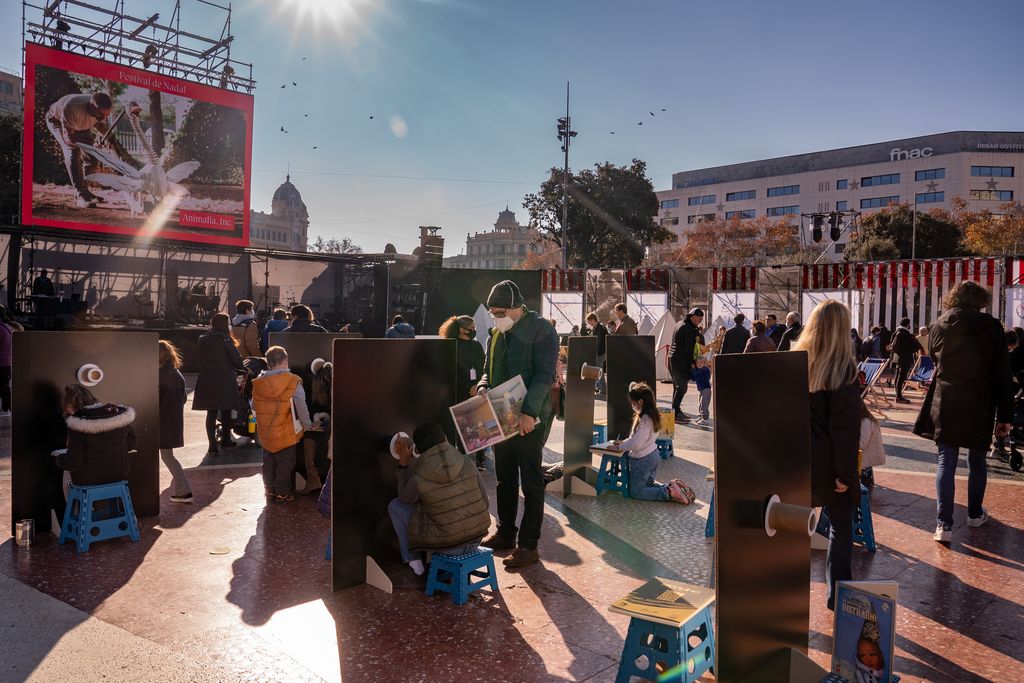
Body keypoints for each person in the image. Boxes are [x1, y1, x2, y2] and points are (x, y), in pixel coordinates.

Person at [913, 281, 1013, 544]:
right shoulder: (992, 327)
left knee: (946, 460)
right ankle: (974, 513)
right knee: (977, 461)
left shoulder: (940, 324)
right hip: (980, 401)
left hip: (946, 400)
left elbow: (934, 358)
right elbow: (1002, 374)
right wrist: (1005, 416)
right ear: (980, 300)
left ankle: (943, 524)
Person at [477, 279, 558, 568]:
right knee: (504, 478)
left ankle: (528, 546)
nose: (497, 318)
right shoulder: (496, 334)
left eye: (501, 312)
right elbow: (487, 369)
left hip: (530, 418)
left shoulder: (542, 330)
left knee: (532, 482)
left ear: (516, 307)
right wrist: (483, 386)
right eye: (493, 313)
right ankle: (506, 532)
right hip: (501, 415)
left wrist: (530, 413)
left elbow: (544, 375)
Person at [792, 300, 861, 610]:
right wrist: (847, 475)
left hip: (794, 461)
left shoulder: (795, 361)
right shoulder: (844, 370)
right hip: (829, 465)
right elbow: (844, 431)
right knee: (842, 527)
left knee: (790, 528)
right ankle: (837, 596)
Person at [388, 422, 491, 587]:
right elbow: (485, 502)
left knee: (395, 506)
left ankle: (415, 565)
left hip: (447, 545)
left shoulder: (420, 473)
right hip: (477, 537)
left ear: (418, 450)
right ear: (445, 439)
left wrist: (403, 463)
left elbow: (405, 499)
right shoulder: (467, 462)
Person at [609, 382, 693, 503]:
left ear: (641, 402)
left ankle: (668, 493)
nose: (632, 405)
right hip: (652, 456)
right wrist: (623, 442)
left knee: (636, 492)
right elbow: (639, 439)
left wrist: (619, 448)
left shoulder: (645, 420)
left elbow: (637, 443)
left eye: (633, 403)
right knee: (645, 487)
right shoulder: (653, 416)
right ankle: (675, 489)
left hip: (643, 460)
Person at [251, 345, 313, 503]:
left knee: (269, 461)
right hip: (286, 431)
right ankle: (283, 492)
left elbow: (253, 406)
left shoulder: (259, 381)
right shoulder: (293, 381)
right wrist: (307, 425)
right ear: (285, 360)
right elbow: (301, 405)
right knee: (285, 462)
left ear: (268, 362)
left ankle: (270, 490)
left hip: (266, 431)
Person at [44, 92, 126, 208]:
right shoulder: (71, 108)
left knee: (93, 157)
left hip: (79, 125)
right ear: (91, 107)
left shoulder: (100, 109)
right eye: (101, 115)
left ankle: (85, 190)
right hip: (57, 121)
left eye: (106, 115)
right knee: (73, 153)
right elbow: (70, 139)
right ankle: (80, 195)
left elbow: (101, 126)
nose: (103, 118)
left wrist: (110, 140)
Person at [56, 384, 137, 486]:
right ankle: (116, 502)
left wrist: (59, 459)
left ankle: (73, 501)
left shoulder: (77, 425)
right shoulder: (117, 415)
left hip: (89, 479)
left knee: (67, 473)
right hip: (119, 475)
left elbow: (74, 462)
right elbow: (131, 443)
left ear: (69, 407)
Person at [192, 313, 245, 455]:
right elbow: (236, 359)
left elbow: (198, 359)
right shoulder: (225, 339)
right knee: (226, 410)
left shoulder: (203, 339)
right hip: (224, 378)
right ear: (225, 324)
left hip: (207, 377)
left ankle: (212, 445)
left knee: (211, 412)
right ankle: (226, 440)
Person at [440, 315, 486, 465]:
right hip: (457, 393)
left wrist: (479, 385)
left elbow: (483, 367)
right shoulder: (450, 345)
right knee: (460, 428)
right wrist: (467, 387)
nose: (473, 331)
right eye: (470, 329)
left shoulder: (476, 346)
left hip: (476, 391)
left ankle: (480, 457)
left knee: (478, 425)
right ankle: (461, 457)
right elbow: (447, 372)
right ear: (460, 329)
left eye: (474, 329)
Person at [158, 340, 193, 503]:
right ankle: (182, 491)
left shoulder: (159, 376)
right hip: (173, 421)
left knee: (167, 456)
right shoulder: (176, 374)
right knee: (168, 455)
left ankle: (184, 491)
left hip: (161, 423)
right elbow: (184, 399)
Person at [669, 307, 704, 423]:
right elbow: (689, 349)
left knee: (677, 387)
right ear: (693, 316)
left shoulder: (679, 324)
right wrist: (693, 364)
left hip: (673, 359)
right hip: (681, 360)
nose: (700, 320)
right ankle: (675, 413)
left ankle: (676, 411)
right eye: (699, 318)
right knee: (682, 387)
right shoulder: (689, 329)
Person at [889, 317, 923, 404]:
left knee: (897, 377)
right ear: (908, 324)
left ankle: (898, 395)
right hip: (905, 358)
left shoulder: (896, 333)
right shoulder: (905, 334)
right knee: (901, 377)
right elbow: (915, 345)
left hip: (897, 358)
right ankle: (899, 397)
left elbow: (891, 345)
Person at [583, 312, 609, 394]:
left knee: (597, 370)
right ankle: (601, 388)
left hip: (601, 352)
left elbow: (600, 342)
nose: (589, 323)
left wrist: (597, 353)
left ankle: (599, 388)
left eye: (589, 321)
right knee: (598, 369)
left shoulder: (600, 328)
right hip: (600, 352)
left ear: (593, 320)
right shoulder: (597, 328)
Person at [0, 305, 14, 417]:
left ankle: (6, 409)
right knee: (4, 385)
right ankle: (6, 408)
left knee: (4, 386)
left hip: (2, 362)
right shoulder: (6, 326)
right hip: (6, 362)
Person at [691, 356, 712, 426]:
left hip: (706, 390)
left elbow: (697, 374)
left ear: (705, 363)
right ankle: (701, 416)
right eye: (698, 363)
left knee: (704, 404)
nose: (699, 364)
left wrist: (693, 369)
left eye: (702, 362)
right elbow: (693, 378)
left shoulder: (705, 370)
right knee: (701, 404)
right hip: (701, 390)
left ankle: (706, 419)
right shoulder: (699, 370)